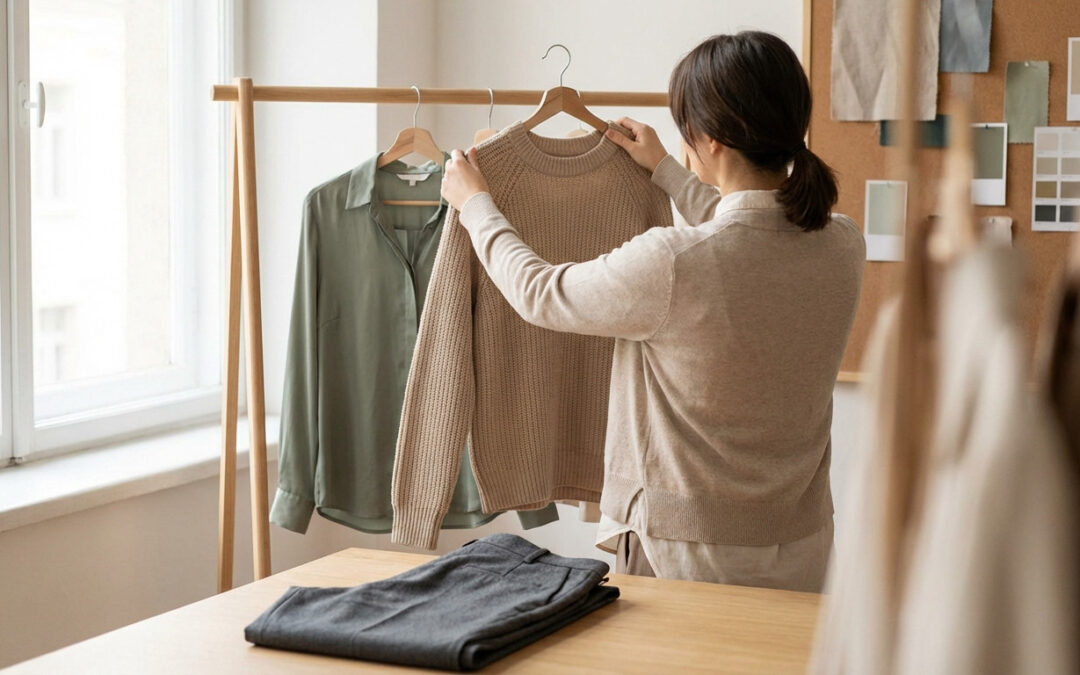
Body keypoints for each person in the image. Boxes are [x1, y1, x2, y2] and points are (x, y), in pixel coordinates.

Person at [439, 31, 864, 592]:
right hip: (802, 545)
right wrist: (665, 169)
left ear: (710, 138)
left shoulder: (674, 262)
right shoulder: (841, 245)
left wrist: (476, 206)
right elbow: (753, 231)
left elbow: (539, 291)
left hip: (683, 550)